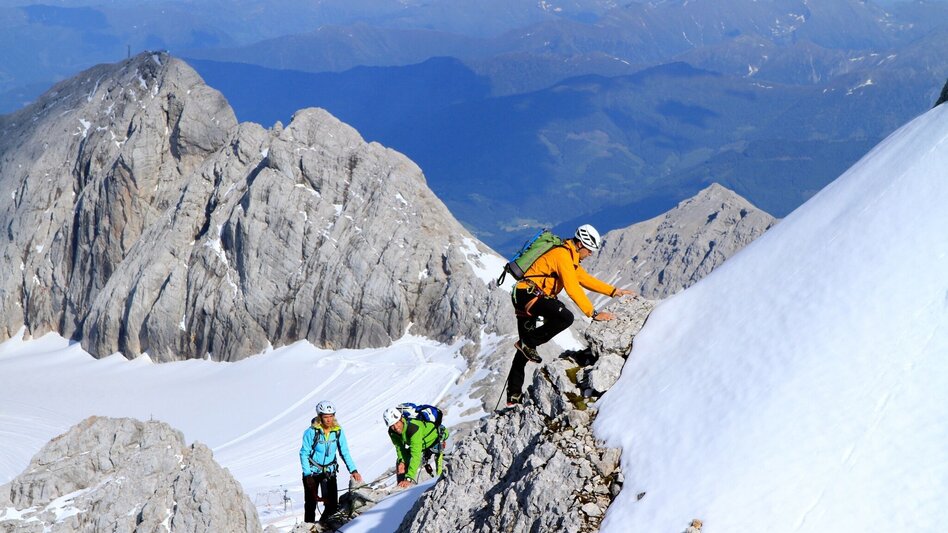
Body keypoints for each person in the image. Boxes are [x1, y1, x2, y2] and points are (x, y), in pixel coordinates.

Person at [505, 224, 635, 405]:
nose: (590, 254)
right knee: (565, 317)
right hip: (529, 295)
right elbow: (572, 287)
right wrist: (593, 313)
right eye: (589, 250)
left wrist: (614, 291)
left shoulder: (570, 258)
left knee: (525, 349)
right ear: (580, 244)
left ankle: (513, 394)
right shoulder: (562, 255)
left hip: (526, 295)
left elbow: (585, 279)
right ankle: (528, 343)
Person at [300, 400, 363, 524]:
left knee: (332, 505)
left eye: (331, 416)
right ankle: (308, 528)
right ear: (320, 416)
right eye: (325, 417)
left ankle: (323, 527)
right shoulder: (311, 432)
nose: (329, 419)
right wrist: (307, 475)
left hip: (329, 472)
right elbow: (304, 453)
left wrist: (353, 470)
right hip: (312, 472)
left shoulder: (338, 431)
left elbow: (344, 452)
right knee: (310, 505)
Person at [383, 407, 449, 488]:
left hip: (437, 440)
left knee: (441, 471)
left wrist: (409, 477)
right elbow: (400, 448)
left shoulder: (413, 428)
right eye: (392, 425)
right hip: (423, 445)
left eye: (397, 423)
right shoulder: (392, 432)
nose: (396, 427)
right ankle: (401, 487)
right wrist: (402, 462)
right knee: (400, 462)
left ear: (401, 419)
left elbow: (415, 456)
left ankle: (408, 482)